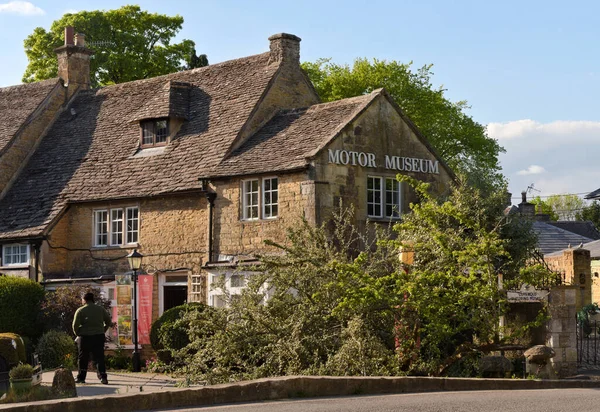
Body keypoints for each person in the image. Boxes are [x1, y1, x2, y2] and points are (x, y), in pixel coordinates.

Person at [72, 292, 112, 384]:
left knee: (83, 358)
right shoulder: (100, 309)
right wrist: (103, 330)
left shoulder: (80, 310)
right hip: (98, 336)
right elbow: (108, 321)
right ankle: (103, 377)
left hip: (85, 337)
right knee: (99, 357)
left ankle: (81, 377)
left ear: (84, 300)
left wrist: (78, 333)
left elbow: (75, 325)